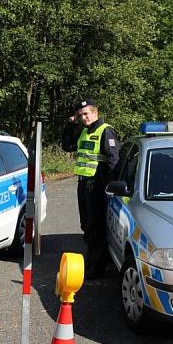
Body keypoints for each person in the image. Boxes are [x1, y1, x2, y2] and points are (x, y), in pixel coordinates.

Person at [61, 98, 119, 279]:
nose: (84, 118)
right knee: (86, 224)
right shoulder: (83, 131)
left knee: (96, 226)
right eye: (81, 115)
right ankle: (94, 260)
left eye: (86, 114)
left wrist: (112, 189)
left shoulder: (106, 131)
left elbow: (113, 162)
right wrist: (70, 125)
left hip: (98, 185)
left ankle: (96, 267)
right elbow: (67, 146)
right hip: (84, 184)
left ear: (95, 113)